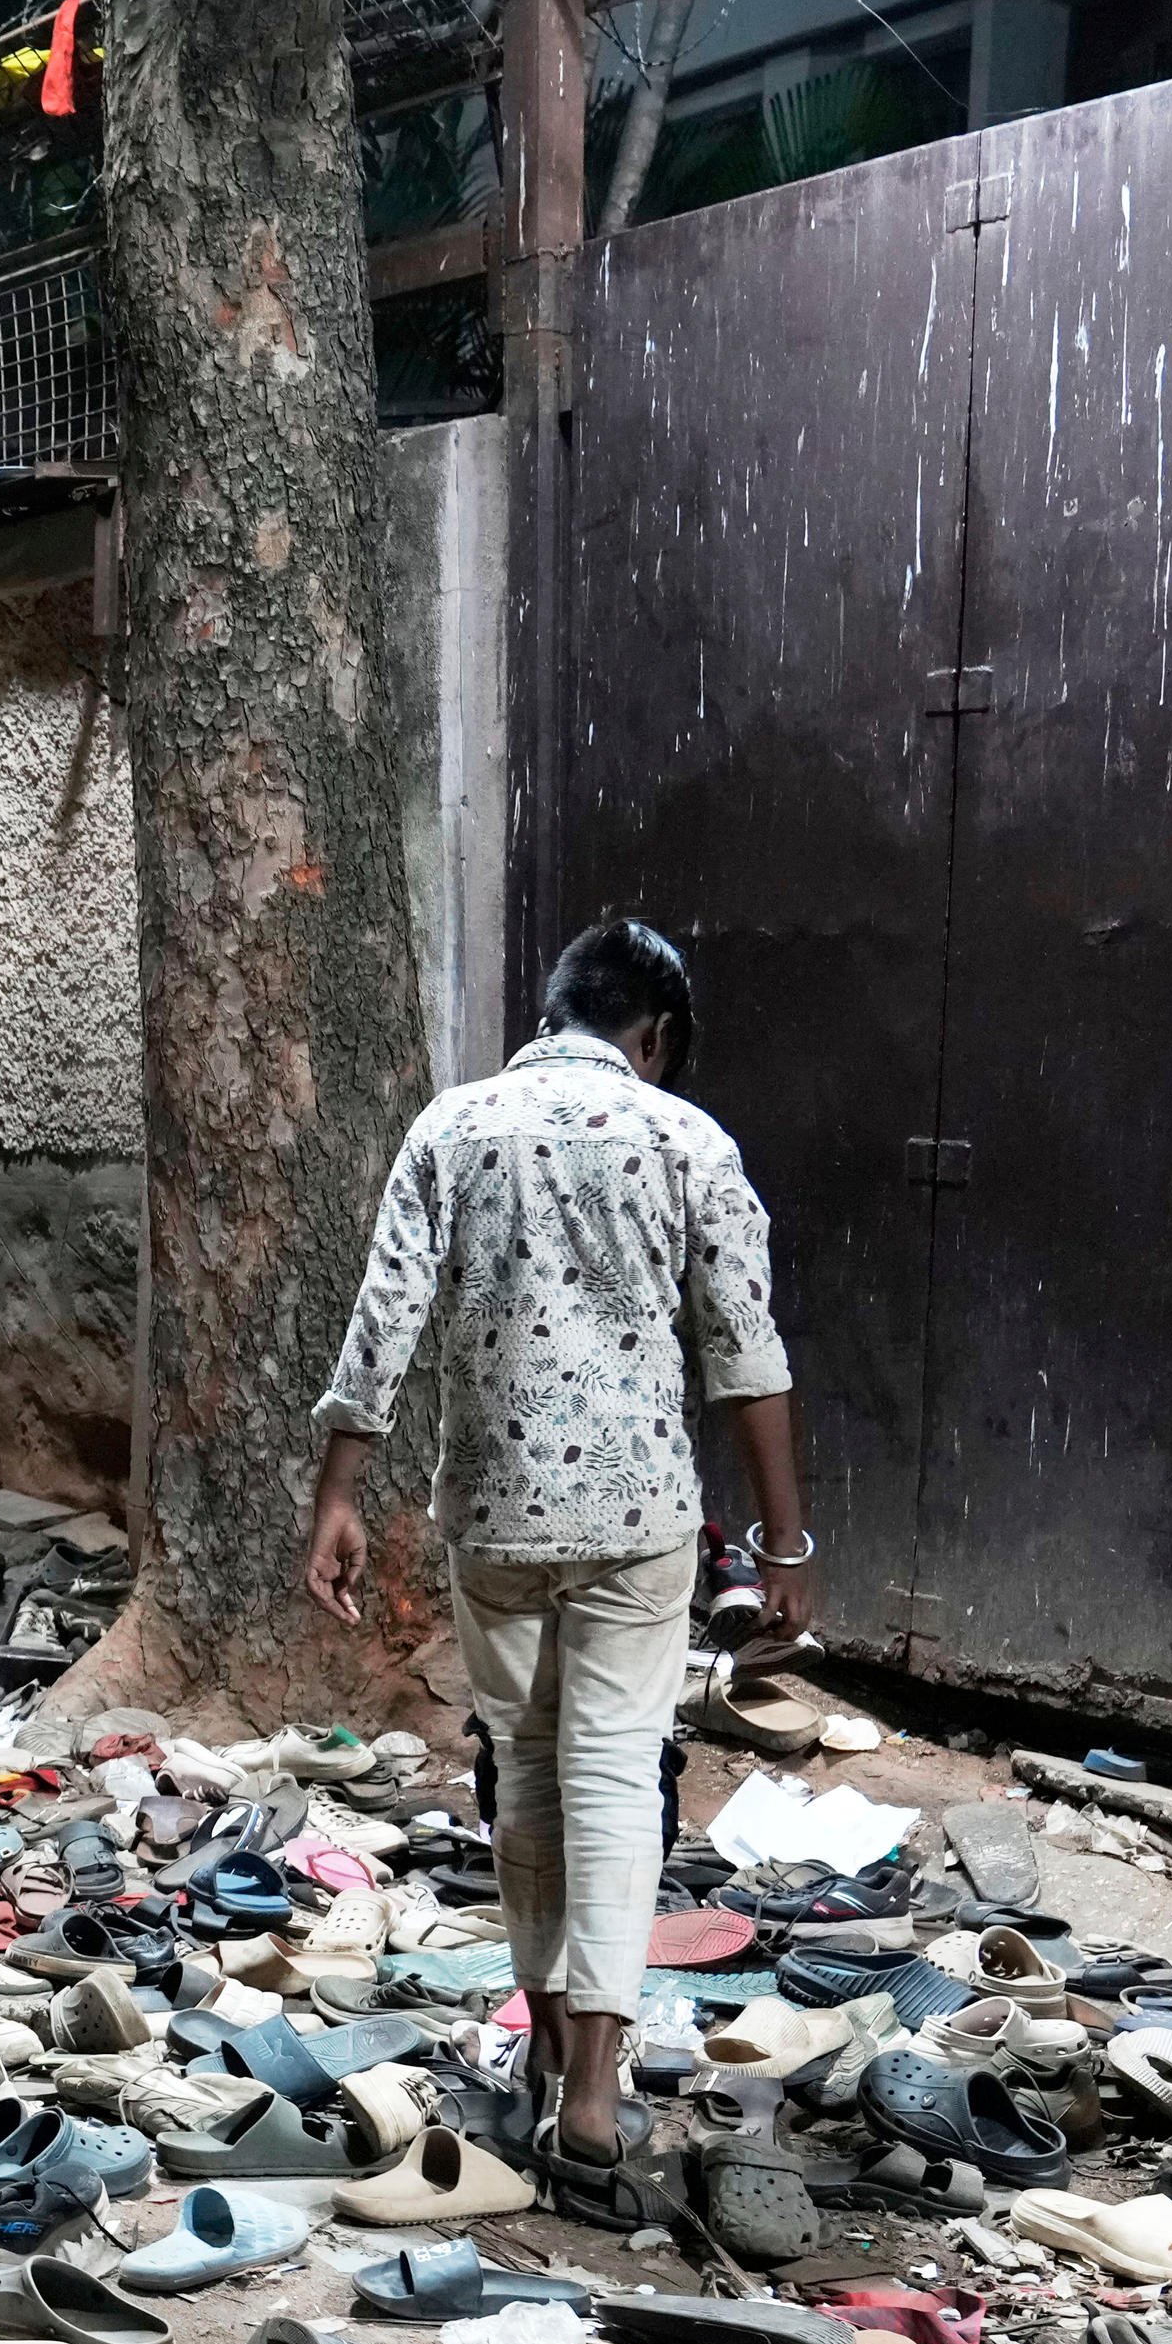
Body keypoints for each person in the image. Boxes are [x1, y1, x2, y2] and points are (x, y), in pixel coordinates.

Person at [303, 918, 811, 2200]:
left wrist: (338, 1495)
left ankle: (537, 2059)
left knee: (521, 1772)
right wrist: (784, 1542)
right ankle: (591, 2097)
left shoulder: (452, 1129)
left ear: (551, 1012)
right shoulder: (687, 1142)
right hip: (636, 1526)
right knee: (611, 1775)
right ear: (653, 1036)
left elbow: (382, 1317)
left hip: (494, 1517)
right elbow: (745, 1355)